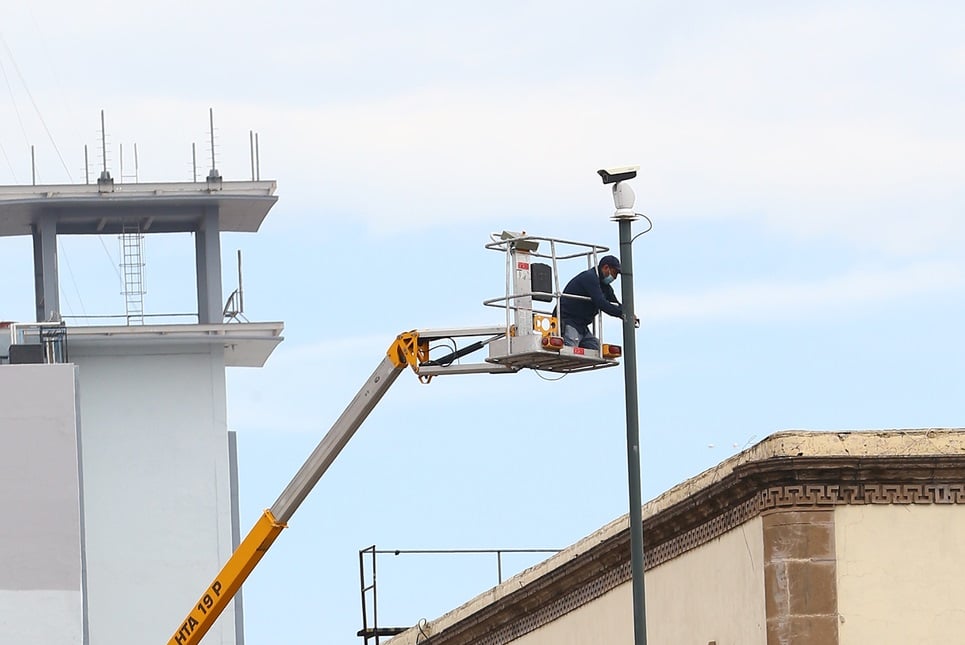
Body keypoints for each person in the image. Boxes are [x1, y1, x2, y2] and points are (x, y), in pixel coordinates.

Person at [559, 255, 627, 350]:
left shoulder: (605, 286)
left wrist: (627, 312)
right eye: (614, 273)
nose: (615, 278)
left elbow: (614, 303)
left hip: (582, 326)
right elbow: (601, 303)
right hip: (568, 321)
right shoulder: (590, 278)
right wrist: (621, 313)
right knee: (569, 352)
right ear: (606, 267)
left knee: (598, 351)